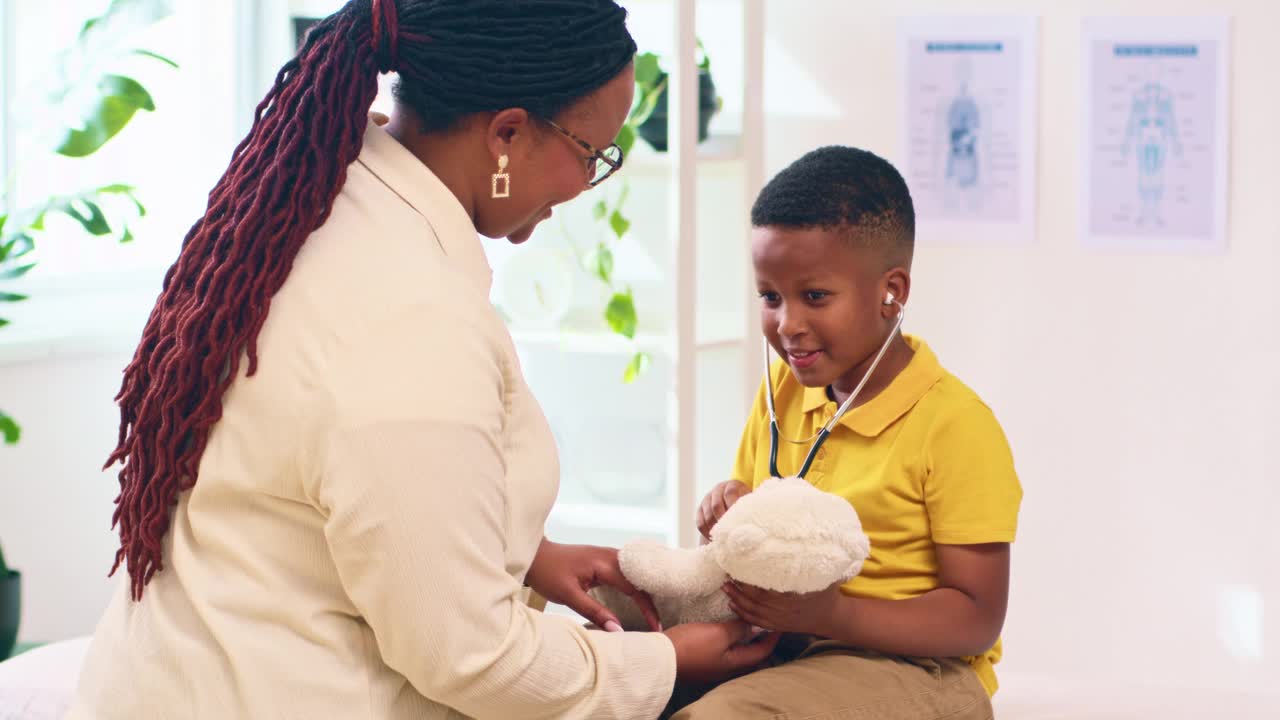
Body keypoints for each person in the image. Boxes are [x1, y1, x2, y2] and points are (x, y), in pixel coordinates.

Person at [68, 2, 777, 718]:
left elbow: (308, 482)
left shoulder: (316, 199)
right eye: (591, 155)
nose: (583, 187)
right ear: (506, 133)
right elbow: (472, 658)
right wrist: (665, 662)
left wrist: (525, 553)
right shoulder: (411, 319)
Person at [681, 146, 1024, 718]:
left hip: (920, 669)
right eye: (770, 296)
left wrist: (831, 616)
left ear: (892, 291)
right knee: (628, 687)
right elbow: (754, 540)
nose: (788, 324)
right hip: (792, 644)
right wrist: (728, 514)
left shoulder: (955, 425)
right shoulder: (782, 393)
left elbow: (976, 618)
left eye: (814, 296)